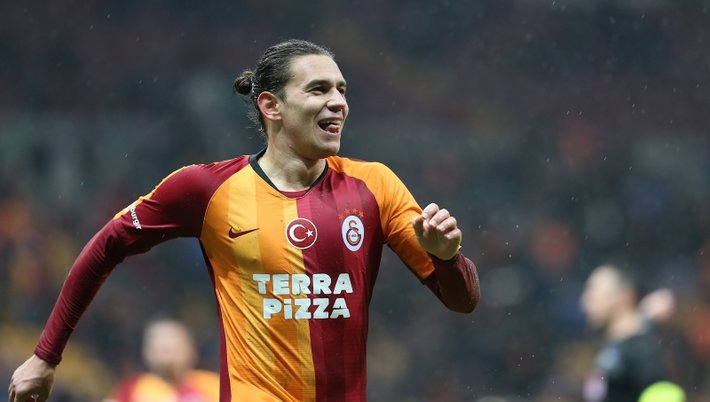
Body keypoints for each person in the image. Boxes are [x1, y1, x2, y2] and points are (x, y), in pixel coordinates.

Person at [8, 39, 480, 402]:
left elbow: (463, 302)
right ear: (271, 106)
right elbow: (105, 246)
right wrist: (46, 356)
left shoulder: (375, 185)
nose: (338, 101)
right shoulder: (206, 189)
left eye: (342, 90)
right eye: (318, 89)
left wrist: (448, 258)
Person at [579, 263, 685, 402]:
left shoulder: (641, 351)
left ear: (625, 297)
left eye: (594, 293)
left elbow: (666, 396)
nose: (585, 302)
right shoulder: (614, 349)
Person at [103, 318, 220, 402]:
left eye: (173, 344)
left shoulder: (212, 386)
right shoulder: (132, 388)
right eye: (159, 346)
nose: (165, 347)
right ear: (146, 352)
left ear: (192, 350)